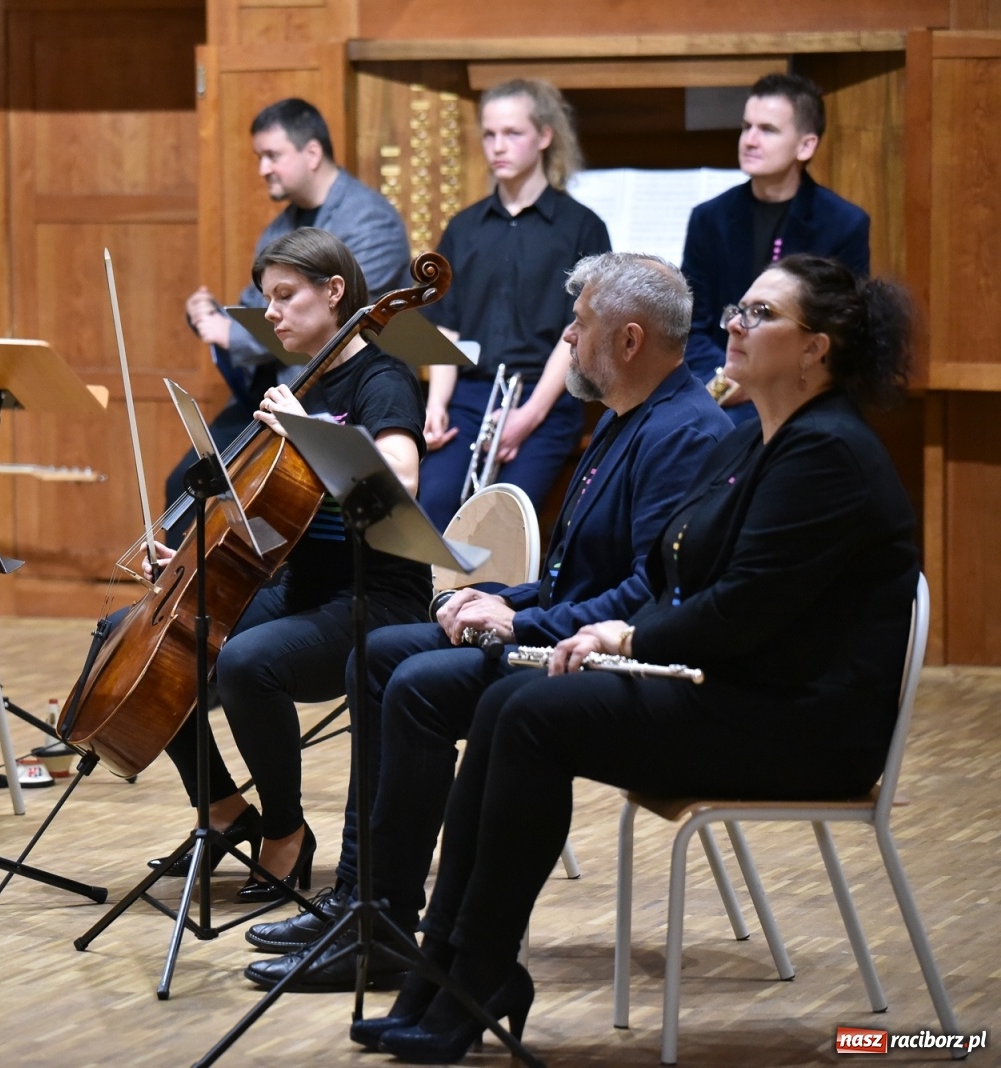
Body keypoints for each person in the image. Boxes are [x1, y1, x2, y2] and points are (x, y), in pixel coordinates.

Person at [362, 254, 918, 1061]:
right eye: (739, 307)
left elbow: (740, 610)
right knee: (507, 704)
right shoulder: (769, 439)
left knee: (531, 715)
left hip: (805, 727)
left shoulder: (826, 452)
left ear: (815, 350)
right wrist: (599, 630)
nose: (734, 323)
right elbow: (683, 575)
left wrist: (624, 636)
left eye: (762, 316)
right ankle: (443, 976)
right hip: (744, 694)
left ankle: (472, 974)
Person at [243, 253, 731, 992]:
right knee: (374, 657)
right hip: (566, 631)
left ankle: (383, 920)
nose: (566, 339)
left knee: (416, 683)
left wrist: (523, 619)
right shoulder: (627, 418)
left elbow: (648, 592)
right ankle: (360, 902)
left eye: (580, 324)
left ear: (629, 341)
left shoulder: (684, 432)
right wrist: (498, 595)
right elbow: (579, 576)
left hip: (607, 662)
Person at [148, 228, 429, 900]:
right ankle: (223, 812)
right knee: (156, 644)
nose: (268, 312)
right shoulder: (298, 379)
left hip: (375, 597)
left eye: (284, 295)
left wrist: (307, 427)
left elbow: (402, 477)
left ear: (335, 293)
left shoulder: (381, 378)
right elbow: (268, 509)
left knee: (248, 661)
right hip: (305, 586)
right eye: (265, 297)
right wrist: (189, 551)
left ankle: (286, 832)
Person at [168, 98, 409, 530]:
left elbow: (335, 322)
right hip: (280, 390)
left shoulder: (372, 222)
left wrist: (230, 334)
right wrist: (208, 315)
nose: (262, 168)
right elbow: (256, 304)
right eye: (260, 157)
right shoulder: (281, 227)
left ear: (312, 154)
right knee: (187, 486)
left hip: (332, 393)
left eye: (272, 155)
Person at [416, 78, 611, 529]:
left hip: (544, 405)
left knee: (504, 522)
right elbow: (445, 326)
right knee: (433, 504)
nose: (497, 146)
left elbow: (578, 334)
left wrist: (528, 416)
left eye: (512, 133)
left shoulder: (583, 228)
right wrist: (437, 403)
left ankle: (490, 603)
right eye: (489, 134)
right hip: (468, 400)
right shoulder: (464, 228)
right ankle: (437, 602)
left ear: (544, 137)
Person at [682, 73, 870, 421]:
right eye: (745, 127)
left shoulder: (844, 224)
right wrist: (728, 378)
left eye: (767, 130)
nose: (749, 140)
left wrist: (765, 380)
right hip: (723, 386)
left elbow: (841, 334)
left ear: (806, 146)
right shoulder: (708, 218)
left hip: (800, 393)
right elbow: (692, 324)